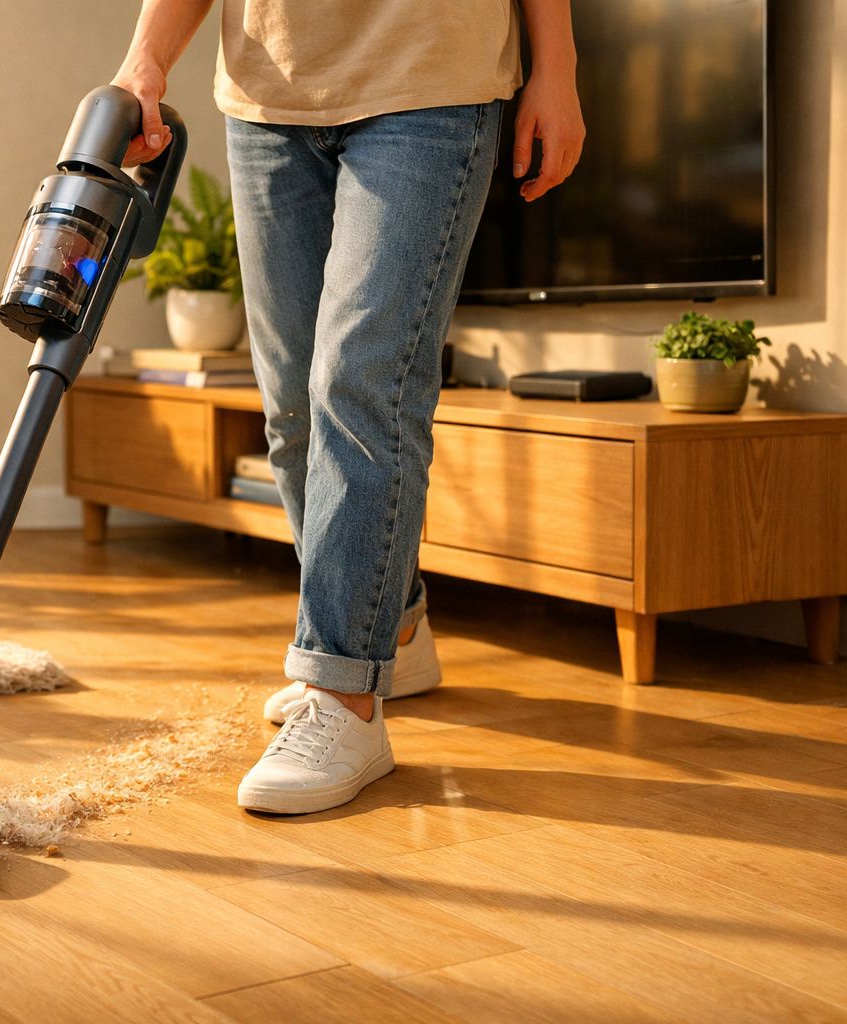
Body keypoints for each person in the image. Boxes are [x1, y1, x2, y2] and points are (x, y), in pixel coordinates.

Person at [113, 1, 584, 814]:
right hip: (268, 88)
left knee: (360, 383)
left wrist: (558, 68)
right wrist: (145, 61)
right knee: (293, 406)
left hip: (429, 74)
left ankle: (344, 699)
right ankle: (390, 632)